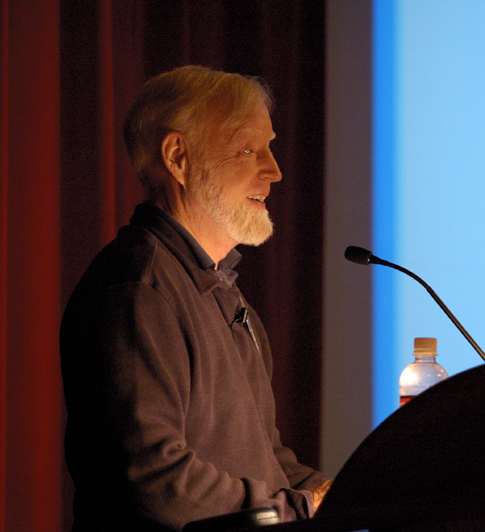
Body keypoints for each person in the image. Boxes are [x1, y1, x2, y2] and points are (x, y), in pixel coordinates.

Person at [60, 65, 332, 532]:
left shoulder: (221, 293)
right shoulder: (140, 292)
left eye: (269, 148)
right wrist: (300, 509)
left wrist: (346, 497)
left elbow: (264, 459)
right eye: (248, 150)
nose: (275, 171)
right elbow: (154, 479)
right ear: (178, 158)